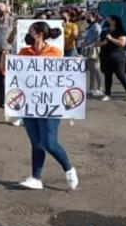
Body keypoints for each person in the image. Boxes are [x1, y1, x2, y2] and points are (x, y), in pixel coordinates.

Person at [7, 21, 77, 191]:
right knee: (36, 143)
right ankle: (36, 178)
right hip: (29, 104)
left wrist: (76, 63)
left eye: (30, 32)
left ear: (38, 34)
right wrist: (5, 58)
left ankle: (69, 169)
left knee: (49, 143)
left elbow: (63, 74)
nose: (27, 36)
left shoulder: (55, 52)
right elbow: (8, 73)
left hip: (50, 103)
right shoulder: (24, 53)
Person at [99, 14, 126, 102]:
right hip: (106, 56)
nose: (107, 20)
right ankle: (107, 94)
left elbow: (122, 43)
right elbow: (102, 42)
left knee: (120, 75)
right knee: (107, 76)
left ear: (114, 21)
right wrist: (100, 43)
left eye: (109, 19)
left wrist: (111, 39)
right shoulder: (106, 31)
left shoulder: (121, 31)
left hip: (117, 56)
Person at [80, 12, 103, 97]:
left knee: (96, 68)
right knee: (90, 68)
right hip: (88, 48)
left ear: (94, 17)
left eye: (89, 17)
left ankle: (99, 88)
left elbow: (97, 38)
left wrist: (87, 43)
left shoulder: (97, 26)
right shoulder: (90, 26)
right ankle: (91, 88)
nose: (87, 18)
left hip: (94, 48)